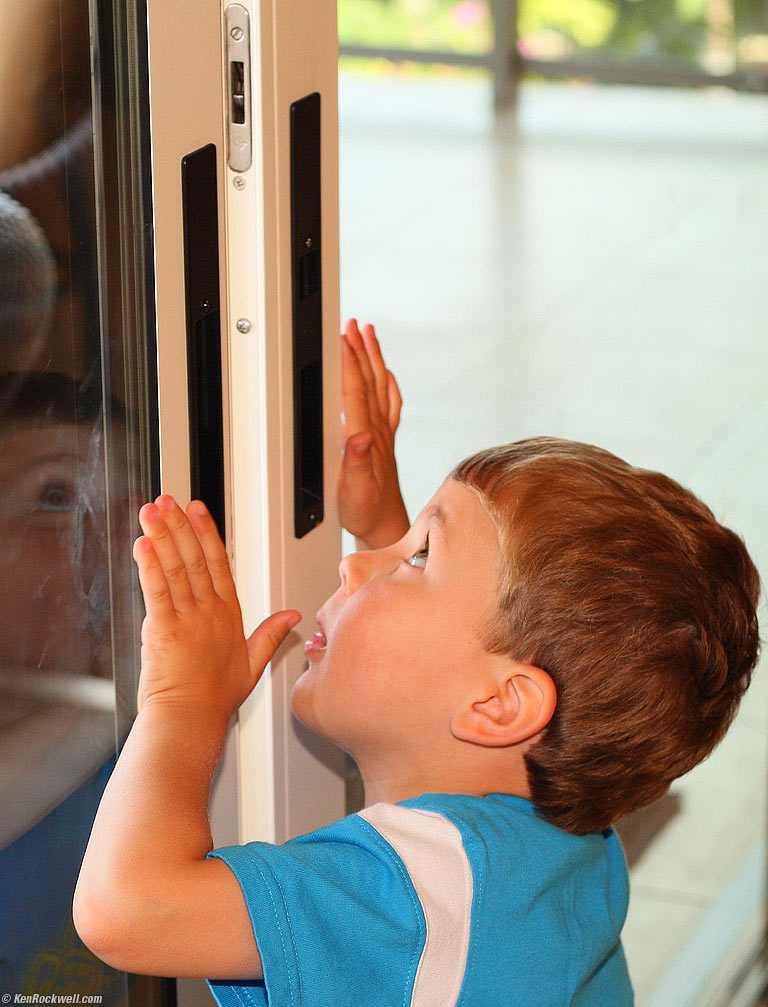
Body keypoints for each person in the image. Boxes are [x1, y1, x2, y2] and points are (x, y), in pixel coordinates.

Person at [72, 320, 762, 1006]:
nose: (351, 561)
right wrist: (385, 522)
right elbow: (453, 661)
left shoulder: (414, 893)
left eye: (421, 554)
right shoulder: (573, 845)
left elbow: (125, 909)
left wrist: (182, 699)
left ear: (500, 705)